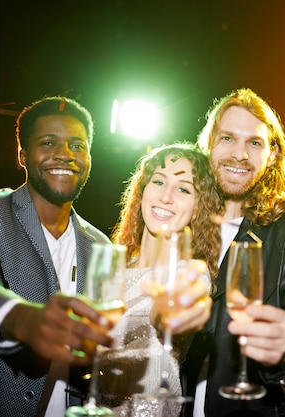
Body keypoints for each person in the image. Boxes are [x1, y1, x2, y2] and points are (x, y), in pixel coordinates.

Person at [0, 96, 117, 416]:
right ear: (22, 155)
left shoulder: (101, 245)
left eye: (77, 145)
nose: (64, 154)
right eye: (48, 143)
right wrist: (25, 320)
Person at [180, 88, 285, 417]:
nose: (239, 154)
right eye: (227, 139)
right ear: (208, 145)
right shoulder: (183, 228)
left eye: (254, 143)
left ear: (273, 154)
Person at [98, 142, 220, 417]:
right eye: (159, 182)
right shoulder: (112, 268)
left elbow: (169, 314)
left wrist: (171, 312)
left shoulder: (188, 274)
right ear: (142, 191)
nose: (166, 197)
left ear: (198, 207)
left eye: (183, 189)